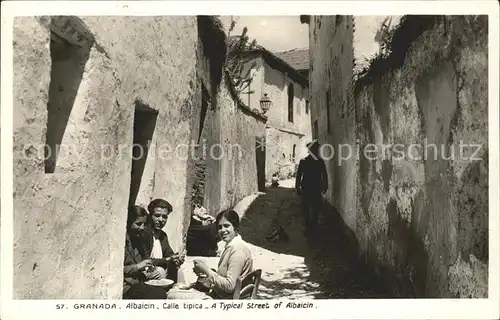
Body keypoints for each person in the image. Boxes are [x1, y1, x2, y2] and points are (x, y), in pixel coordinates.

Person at [167, 209, 253, 299]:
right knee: (183, 287)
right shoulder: (234, 245)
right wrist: (206, 272)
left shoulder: (238, 250)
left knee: (171, 295)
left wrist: (207, 271)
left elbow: (229, 286)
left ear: (236, 227)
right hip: (222, 294)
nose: (222, 230)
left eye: (226, 226)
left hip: (224, 300)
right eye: (219, 227)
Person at [123, 205, 167, 299]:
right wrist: (138, 267)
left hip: (138, 281)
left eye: (144, 224)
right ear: (128, 223)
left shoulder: (138, 239)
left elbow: (146, 259)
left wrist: (149, 269)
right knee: (158, 294)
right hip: (126, 286)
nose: (142, 227)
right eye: (138, 224)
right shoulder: (122, 243)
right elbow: (117, 270)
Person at [144, 198, 185, 282]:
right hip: (146, 270)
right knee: (160, 272)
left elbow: (169, 254)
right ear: (150, 215)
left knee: (179, 270)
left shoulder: (162, 235)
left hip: (159, 269)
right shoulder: (144, 233)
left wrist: (177, 259)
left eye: (164, 217)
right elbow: (145, 260)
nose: (161, 220)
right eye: (157, 216)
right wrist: (167, 260)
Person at [295, 139, 328, 234]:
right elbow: (299, 175)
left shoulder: (319, 162)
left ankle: (313, 227)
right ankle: (310, 227)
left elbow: (324, 175)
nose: (316, 151)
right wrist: (297, 187)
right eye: (314, 149)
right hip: (307, 188)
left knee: (315, 208)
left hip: (315, 189)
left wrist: (325, 186)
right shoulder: (304, 161)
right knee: (307, 208)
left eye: (316, 149)